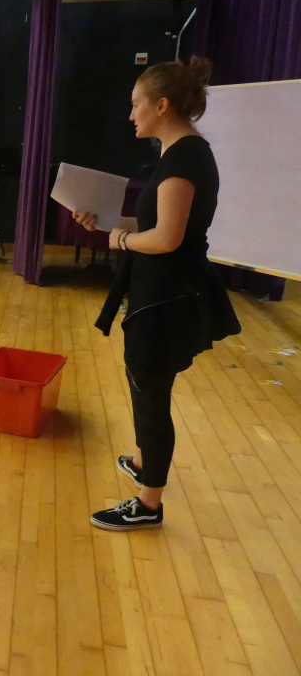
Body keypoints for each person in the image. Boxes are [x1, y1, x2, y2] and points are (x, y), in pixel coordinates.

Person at [72, 56, 241, 531]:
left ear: (161, 106)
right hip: (159, 292)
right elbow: (158, 224)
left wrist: (123, 240)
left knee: (151, 394)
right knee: (143, 382)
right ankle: (146, 462)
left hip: (167, 298)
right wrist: (108, 225)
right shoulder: (181, 154)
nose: (131, 115)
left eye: (136, 105)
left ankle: (148, 504)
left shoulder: (184, 159)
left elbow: (166, 239)